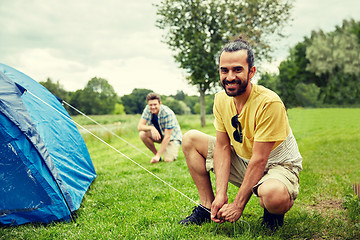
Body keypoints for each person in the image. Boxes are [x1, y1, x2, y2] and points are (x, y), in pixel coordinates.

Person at [178, 37, 303, 230]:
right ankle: (207, 206)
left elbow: (260, 159)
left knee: (272, 195)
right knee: (190, 139)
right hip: (245, 161)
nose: (229, 77)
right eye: (224, 70)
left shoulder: (269, 103)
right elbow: (222, 146)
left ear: (251, 72)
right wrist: (221, 194)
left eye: (237, 69)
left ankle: (274, 211)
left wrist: (238, 205)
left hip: (277, 165)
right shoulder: (220, 100)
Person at [138, 92, 182, 163]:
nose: (152, 107)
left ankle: (167, 152)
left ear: (160, 103)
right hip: (159, 135)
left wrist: (159, 155)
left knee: (168, 160)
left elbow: (167, 136)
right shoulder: (147, 109)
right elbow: (140, 127)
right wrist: (151, 128)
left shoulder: (167, 113)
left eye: (155, 104)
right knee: (142, 134)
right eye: (150, 105)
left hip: (172, 138)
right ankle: (156, 155)